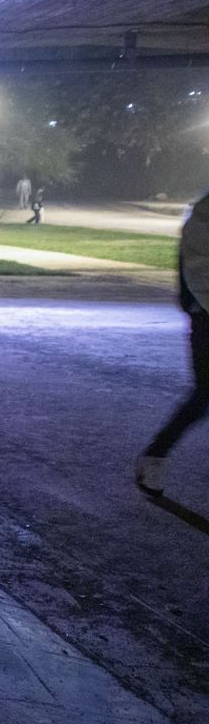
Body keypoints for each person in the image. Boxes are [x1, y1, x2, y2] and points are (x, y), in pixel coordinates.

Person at [136, 191, 209, 496]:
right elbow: (199, 275)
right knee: (203, 395)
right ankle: (156, 454)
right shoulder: (203, 221)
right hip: (206, 317)